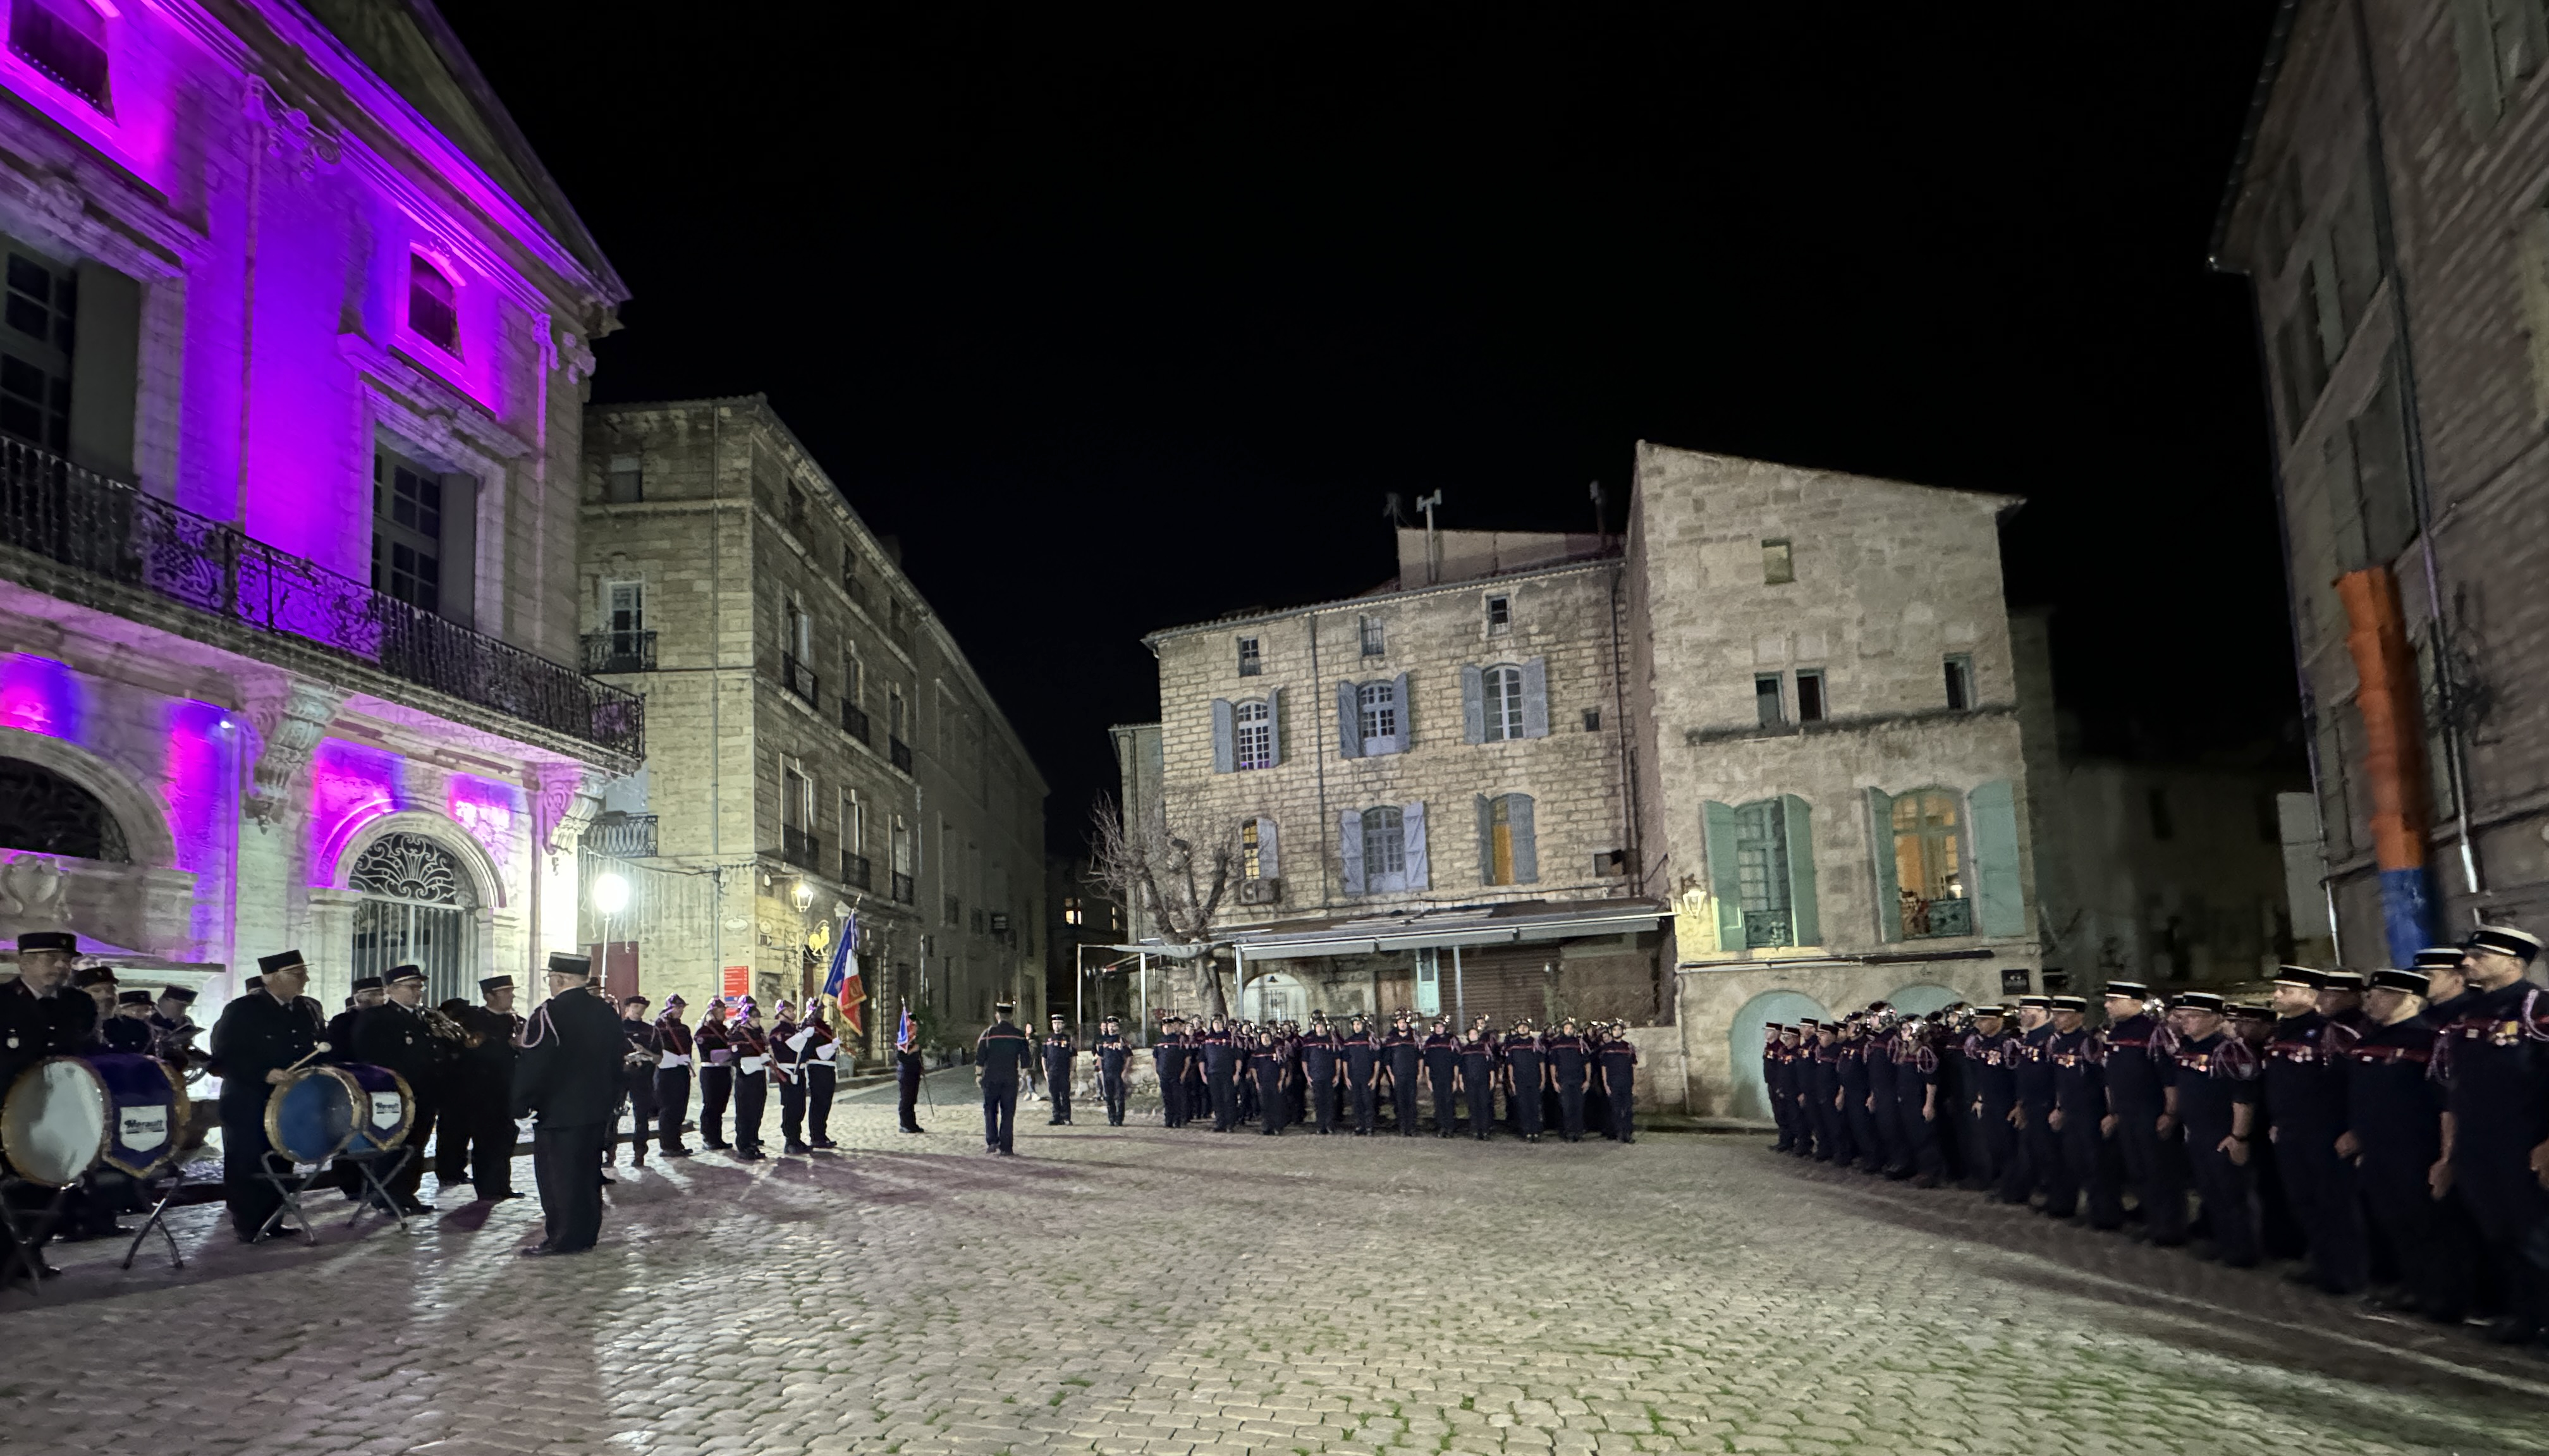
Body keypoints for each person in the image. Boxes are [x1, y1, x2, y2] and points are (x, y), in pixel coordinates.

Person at [2431, 924, 2549, 1345]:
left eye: (2480, 956)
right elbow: (2457, 1086)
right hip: (2479, 1145)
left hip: (2526, 1145)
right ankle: (2525, 1315)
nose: (2467, 962)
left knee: (2537, 1235)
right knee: (2500, 1233)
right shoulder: (2468, 1014)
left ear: (2514, 962)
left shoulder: (2536, 1007)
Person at [2335, 967, 2457, 1323]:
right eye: (2371, 994)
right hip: (2378, 1148)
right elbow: (2364, 1097)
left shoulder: (2430, 1039)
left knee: (2427, 1225)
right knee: (2394, 1221)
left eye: (2381, 995)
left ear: (2410, 999)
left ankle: (2442, 1296)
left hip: (2417, 1147)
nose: (2370, 1001)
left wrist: (2446, 1156)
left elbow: (2445, 1102)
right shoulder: (2368, 1040)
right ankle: (2414, 1286)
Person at [1, 931, 101, 1278]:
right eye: (49, 959)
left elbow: (86, 1053)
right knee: (9, 1188)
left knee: (49, 1185)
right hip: (9, 1112)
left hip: (61, 1113)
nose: (60, 966)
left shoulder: (78, 1004)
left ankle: (31, 1253)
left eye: (66, 961)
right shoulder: (3, 1001)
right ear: (24, 962)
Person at [210, 950, 328, 1243]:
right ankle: (249, 1223)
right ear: (271, 978)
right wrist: (263, 1073)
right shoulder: (242, 1010)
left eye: (304, 973)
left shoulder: (306, 1009)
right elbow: (223, 1060)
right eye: (297, 974)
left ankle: (275, 1220)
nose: (305, 980)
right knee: (249, 1162)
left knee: (281, 1159)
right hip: (249, 1102)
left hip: (288, 1101)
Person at [510, 953, 623, 1257]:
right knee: (588, 1175)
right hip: (597, 1107)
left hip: (559, 1110)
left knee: (559, 1178)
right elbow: (618, 1061)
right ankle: (587, 1233)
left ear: (560, 979)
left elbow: (536, 1062)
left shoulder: (550, 1012)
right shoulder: (605, 1011)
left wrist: (520, 1103)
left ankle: (563, 1237)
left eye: (551, 979)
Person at [2167, 991, 2261, 1269]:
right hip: (2197, 1131)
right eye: (2183, 1017)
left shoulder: (2230, 1050)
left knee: (2233, 1195)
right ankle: (2224, 1243)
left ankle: (2243, 1251)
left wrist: (2238, 1136)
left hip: (2223, 1133)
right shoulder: (2186, 1049)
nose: (2186, 1022)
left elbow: (2243, 1096)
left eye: (2193, 1017)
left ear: (2214, 1018)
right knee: (2211, 1193)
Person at [351, 965, 447, 1214]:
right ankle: (386, 1195)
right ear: (391, 990)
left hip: (424, 1093)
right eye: (412, 987)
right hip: (394, 1094)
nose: (418, 992)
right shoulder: (376, 1018)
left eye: (420, 987)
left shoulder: (422, 1018)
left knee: (417, 1145)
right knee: (393, 1144)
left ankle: (407, 1193)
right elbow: (368, 1056)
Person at [2099, 981, 2185, 1246]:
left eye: (2114, 999)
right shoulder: (2115, 1033)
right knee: (2138, 1170)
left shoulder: (2154, 1033)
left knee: (2159, 1171)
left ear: (2135, 1002)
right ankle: (2153, 1221)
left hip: (2150, 1111)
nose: (2107, 1004)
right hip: (2126, 1112)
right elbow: (2111, 1077)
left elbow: (2169, 1077)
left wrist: (2170, 1113)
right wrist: (2113, 1111)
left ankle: (2170, 1228)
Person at [444, 976, 525, 1199]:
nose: (512, 996)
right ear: (490, 996)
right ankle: (487, 1188)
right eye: (506, 992)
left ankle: (502, 1185)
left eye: (511, 991)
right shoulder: (474, 1020)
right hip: (481, 1091)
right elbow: (473, 1051)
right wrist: (507, 1045)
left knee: (505, 1137)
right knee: (486, 1140)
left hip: (507, 1090)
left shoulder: (516, 1020)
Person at [974, 1000, 1034, 1154]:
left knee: (990, 1110)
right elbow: (1026, 1061)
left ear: (997, 1015)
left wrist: (978, 1075)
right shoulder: (1019, 1036)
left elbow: (980, 1057)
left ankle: (992, 1141)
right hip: (1010, 1078)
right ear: (1012, 1016)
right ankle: (1006, 1146)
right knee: (1008, 1112)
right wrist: (1023, 1077)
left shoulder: (987, 1034)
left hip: (991, 1078)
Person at [615, 994, 661, 1165]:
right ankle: (609, 1153)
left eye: (642, 1007)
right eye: (635, 1006)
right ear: (627, 1008)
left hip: (642, 1079)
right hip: (620, 1078)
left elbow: (658, 1058)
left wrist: (645, 1052)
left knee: (642, 1117)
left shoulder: (651, 1030)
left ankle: (640, 1153)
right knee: (613, 1116)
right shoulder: (617, 1028)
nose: (639, 1010)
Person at [727, 999, 771, 1160]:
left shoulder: (758, 1033)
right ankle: (743, 1145)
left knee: (757, 1111)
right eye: (753, 1017)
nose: (757, 1020)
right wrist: (759, 1059)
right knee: (745, 1112)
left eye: (758, 1017)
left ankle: (752, 1142)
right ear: (746, 1018)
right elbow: (738, 1060)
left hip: (759, 1076)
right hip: (745, 1079)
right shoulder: (738, 1034)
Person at [652, 994, 695, 1156]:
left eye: (682, 1008)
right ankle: (668, 1145)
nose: (680, 1011)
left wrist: (686, 1058)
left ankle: (677, 1142)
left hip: (681, 1070)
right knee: (669, 1108)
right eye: (677, 1008)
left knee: (680, 1107)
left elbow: (688, 1045)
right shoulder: (659, 1026)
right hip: (666, 1072)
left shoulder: (683, 1028)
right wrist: (675, 1058)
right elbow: (658, 1048)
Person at [771, 1000, 810, 1155]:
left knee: (800, 1106)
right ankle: (790, 1140)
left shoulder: (795, 1030)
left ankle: (797, 1137)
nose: (793, 1013)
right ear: (780, 1013)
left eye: (793, 1010)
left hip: (799, 1071)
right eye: (789, 1010)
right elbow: (786, 1049)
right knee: (790, 1106)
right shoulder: (777, 1032)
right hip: (787, 1071)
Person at [695, 998, 735, 1149]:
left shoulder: (725, 1030)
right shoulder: (704, 1031)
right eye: (720, 1010)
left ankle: (717, 1137)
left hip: (724, 1070)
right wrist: (732, 1052)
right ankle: (708, 1137)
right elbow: (709, 1053)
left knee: (721, 1105)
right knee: (711, 1104)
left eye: (724, 1010)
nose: (723, 1013)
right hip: (711, 1071)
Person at [800, 1001, 841, 1148]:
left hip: (828, 1067)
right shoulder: (808, 1026)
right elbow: (811, 1049)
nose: (821, 1012)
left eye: (823, 1010)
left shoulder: (824, 1026)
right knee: (819, 1102)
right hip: (817, 1067)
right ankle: (816, 1136)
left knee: (826, 1102)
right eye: (818, 1010)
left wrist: (832, 1046)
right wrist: (831, 1046)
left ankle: (821, 1133)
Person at [1546, 1017, 1592, 1143]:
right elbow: (1553, 1065)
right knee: (1566, 1107)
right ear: (1562, 1030)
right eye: (1567, 1028)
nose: (1569, 1030)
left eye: (1571, 1028)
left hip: (1578, 1080)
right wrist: (1554, 1081)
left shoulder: (1580, 1044)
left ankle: (1578, 1131)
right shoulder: (1557, 1044)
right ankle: (1569, 1132)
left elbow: (1587, 1063)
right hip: (1563, 1080)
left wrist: (1587, 1080)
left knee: (1578, 1107)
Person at [1503, 1020, 1547, 1144]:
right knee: (1523, 1107)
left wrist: (1543, 1078)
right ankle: (1527, 1131)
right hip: (1520, 1080)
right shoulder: (1513, 1044)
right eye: (1520, 1027)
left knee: (1535, 1106)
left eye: (1525, 1027)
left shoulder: (1535, 1043)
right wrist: (1511, 1080)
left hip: (1534, 1079)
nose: (1522, 1029)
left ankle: (1536, 1131)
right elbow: (1510, 1064)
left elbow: (1541, 1062)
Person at [1597, 1022, 1641, 1142]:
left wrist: (1635, 1085)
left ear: (1623, 1031)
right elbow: (1604, 1068)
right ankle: (1620, 1133)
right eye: (1614, 1030)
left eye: (1619, 1029)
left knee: (1628, 1110)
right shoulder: (1606, 1049)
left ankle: (1628, 1133)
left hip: (1627, 1083)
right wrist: (1606, 1084)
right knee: (1616, 1110)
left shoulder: (1628, 1047)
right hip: (1613, 1083)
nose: (1617, 1032)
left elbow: (1633, 1066)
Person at [1340, 1013, 1381, 1135]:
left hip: (1367, 1076)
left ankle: (1369, 1126)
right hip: (1354, 1077)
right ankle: (1360, 1126)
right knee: (1356, 1102)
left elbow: (1377, 1061)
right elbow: (1345, 1061)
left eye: (1358, 1024)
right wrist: (1346, 1077)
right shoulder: (1348, 1042)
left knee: (1368, 1102)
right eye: (1354, 1025)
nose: (1356, 1027)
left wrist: (1375, 1078)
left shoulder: (1370, 1040)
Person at [1299, 1015, 1340, 1134]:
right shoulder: (1309, 1042)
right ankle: (1320, 1126)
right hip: (1316, 1077)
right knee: (1318, 1102)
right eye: (1317, 1026)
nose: (1320, 1029)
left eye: (1322, 1026)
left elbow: (1337, 1059)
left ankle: (1329, 1125)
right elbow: (1304, 1061)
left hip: (1330, 1077)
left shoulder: (1332, 1041)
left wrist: (1337, 1075)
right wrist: (1308, 1076)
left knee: (1330, 1102)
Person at [1383, 1013, 1421, 1135]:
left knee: (1411, 1102)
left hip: (1412, 1075)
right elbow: (1387, 1061)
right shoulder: (1392, 1040)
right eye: (1400, 1023)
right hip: (1398, 1077)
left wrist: (1420, 1074)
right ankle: (1402, 1128)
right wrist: (1392, 1077)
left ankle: (1412, 1127)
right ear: (1397, 1024)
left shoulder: (1413, 1039)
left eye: (1404, 1022)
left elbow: (1420, 1058)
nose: (1402, 1024)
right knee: (1400, 1102)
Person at [1422, 1017, 1460, 1137]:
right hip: (1435, 1077)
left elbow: (1456, 1062)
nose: (1439, 1029)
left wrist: (1455, 1079)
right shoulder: (1430, 1042)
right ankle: (1441, 1127)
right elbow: (1427, 1063)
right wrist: (1428, 1080)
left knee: (1449, 1102)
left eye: (1441, 1027)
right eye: (1437, 1027)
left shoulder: (1451, 1040)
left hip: (1448, 1076)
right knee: (1438, 1103)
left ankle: (1450, 1128)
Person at [1151, 1015, 1191, 1129]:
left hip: (1176, 1074)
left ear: (1172, 1027)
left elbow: (1187, 1059)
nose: (1167, 1029)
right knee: (1167, 1098)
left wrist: (1183, 1073)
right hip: (1163, 1075)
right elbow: (1155, 1060)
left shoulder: (1179, 1040)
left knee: (1177, 1098)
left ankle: (1177, 1120)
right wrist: (1156, 1074)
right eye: (1164, 1027)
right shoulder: (1159, 1041)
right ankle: (1168, 1120)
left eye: (1169, 1026)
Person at [1249, 1029, 1290, 1134]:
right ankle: (1266, 1128)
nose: (1265, 1040)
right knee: (1265, 1106)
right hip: (1263, 1083)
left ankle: (1277, 1127)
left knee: (1276, 1105)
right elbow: (1253, 1068)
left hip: (1275, 1083)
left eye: (1267, 1037)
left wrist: (1281, 1081)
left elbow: (1283, 1068)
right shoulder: (1257, 1052)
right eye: (1263, 1038)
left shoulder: (1277, 1051)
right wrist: (1257, 1082)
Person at [1093, 1014, 1130, 1126]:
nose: (1111, 1027)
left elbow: (1129, 1056)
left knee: (1120, 1097)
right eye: (1110, 1025)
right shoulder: (1103, 1040)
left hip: (1118, 1072)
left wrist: (1125, 1071)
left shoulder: (1121, 1040)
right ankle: (1112, 1118)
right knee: (1108, 1097)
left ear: (1117, 1027)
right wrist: (1098, 1070)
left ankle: (1119, 1119)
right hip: (1106, 1072)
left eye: (1114, 1025)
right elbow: (1100, 1056)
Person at [1042, 1013, 1077, 1126]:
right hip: (1052, 1072)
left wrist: (1072, 1071)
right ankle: (1056, 1117)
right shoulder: (1047, 1039)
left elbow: (1073, 1057)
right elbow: (1044, 1057)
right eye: (1055, 1023)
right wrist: (1045, 1072)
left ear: (1063, 1025)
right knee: (1054, 1095)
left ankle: (1066, 1117)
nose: (1057, 1026)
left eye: (1059, 1023)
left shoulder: (1068, 1039)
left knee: (1065, 1095)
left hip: (1064, 1072)